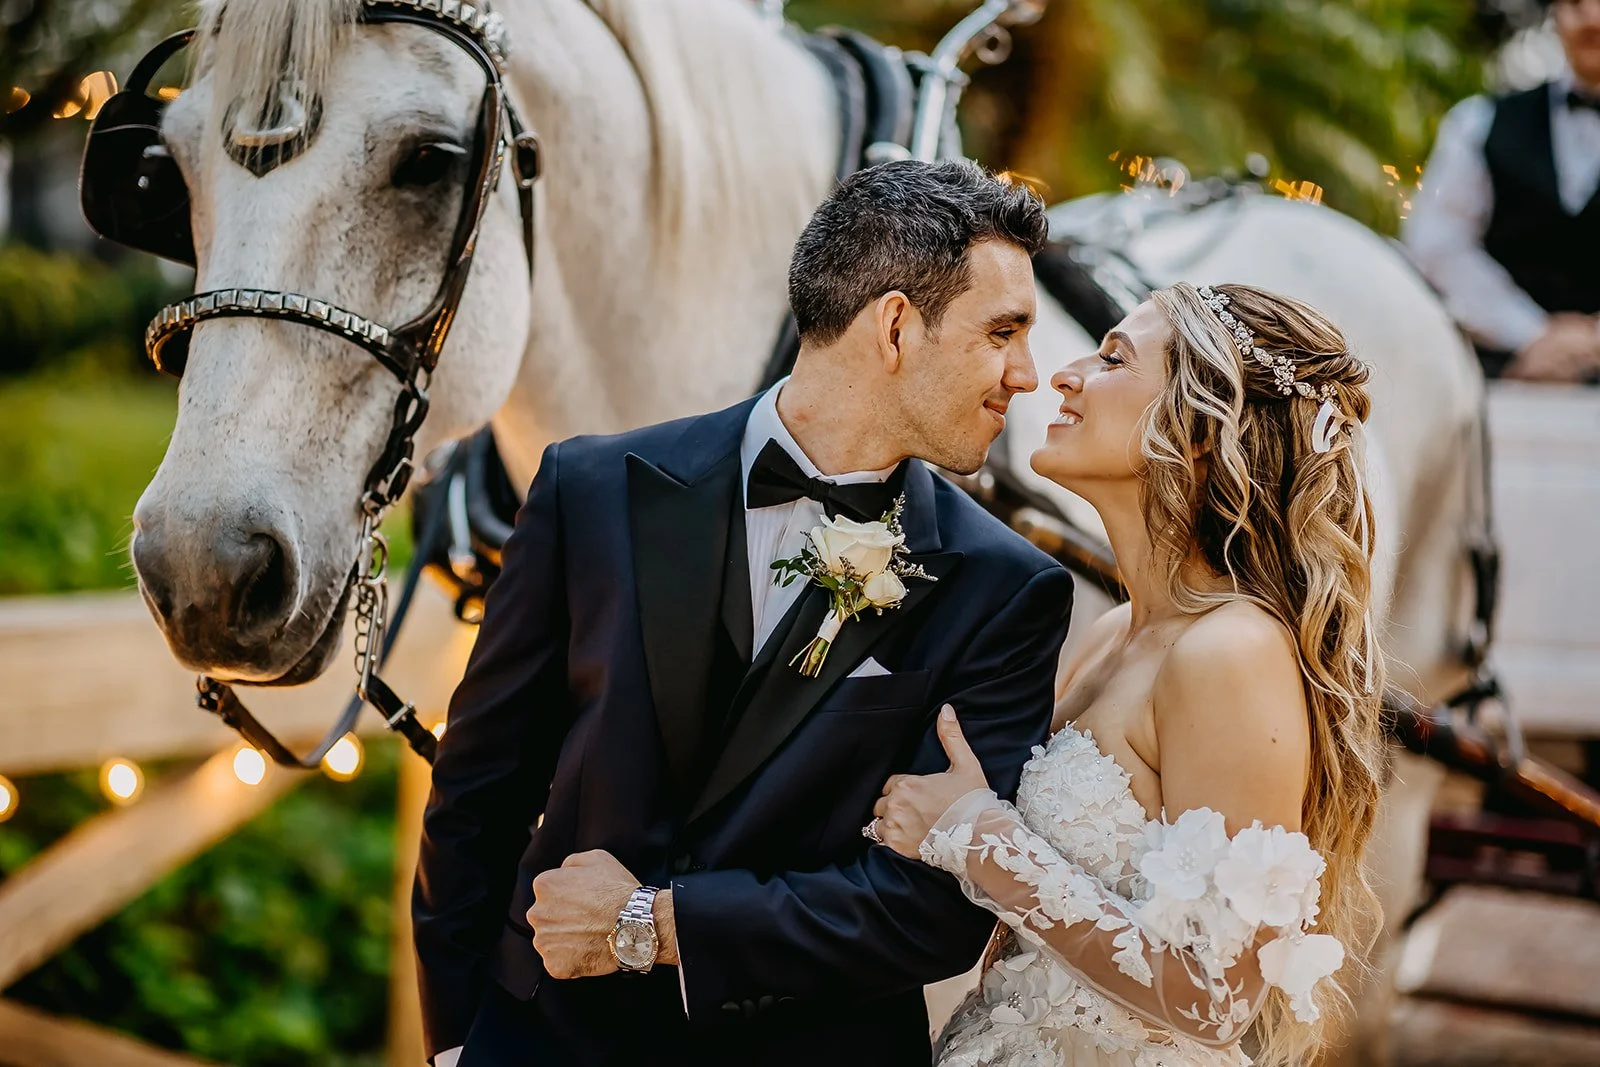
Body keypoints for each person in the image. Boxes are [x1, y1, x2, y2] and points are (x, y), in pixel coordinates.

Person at [412, 159, 1074, 1067]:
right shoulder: (590, 488)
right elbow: (478, 794)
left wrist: (654, 922)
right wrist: (455, 1040)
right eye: (1003, 332)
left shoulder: (1005, 590)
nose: (1027, 375)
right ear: (893, 325)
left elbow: (932, 911)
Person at [874, 283, 1386, 1066]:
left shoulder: (1231, 653)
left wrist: (976, 834)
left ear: (1203, 430)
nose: (1064, 375)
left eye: (1114, 357)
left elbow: (1216, 998)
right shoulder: (1116, 630)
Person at [1404, 0, 1600, 382]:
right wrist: (1532, 334)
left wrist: (1591, 340)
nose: (1593, 17)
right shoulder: (1477, 122)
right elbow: (1437, 245)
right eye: (1577, 3)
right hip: (1503, 382)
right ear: (1556, 12)